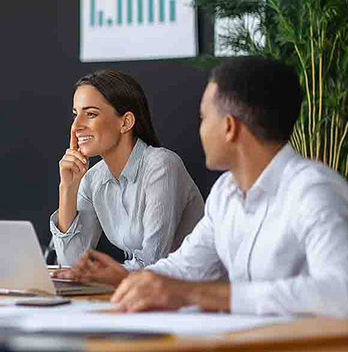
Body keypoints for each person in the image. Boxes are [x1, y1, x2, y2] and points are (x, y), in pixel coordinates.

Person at [104, 57, 348, 317]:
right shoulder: (225, 193)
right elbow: (186, 268)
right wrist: (124, 276)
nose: (201, 129)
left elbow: (341, 291)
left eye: (203, 117)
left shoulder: (313, 190)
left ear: (229, 127)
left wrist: (198, 294)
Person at [50, 70, 204, 285]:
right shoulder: (93, 179)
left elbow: (153, 261)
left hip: (191, 296)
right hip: (144, 293)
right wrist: (67, 188)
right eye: (76, 114)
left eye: (91, 114)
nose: (76, 127)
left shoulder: (162, 165)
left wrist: (99, 274)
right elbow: (71, 264)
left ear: (126, 122)